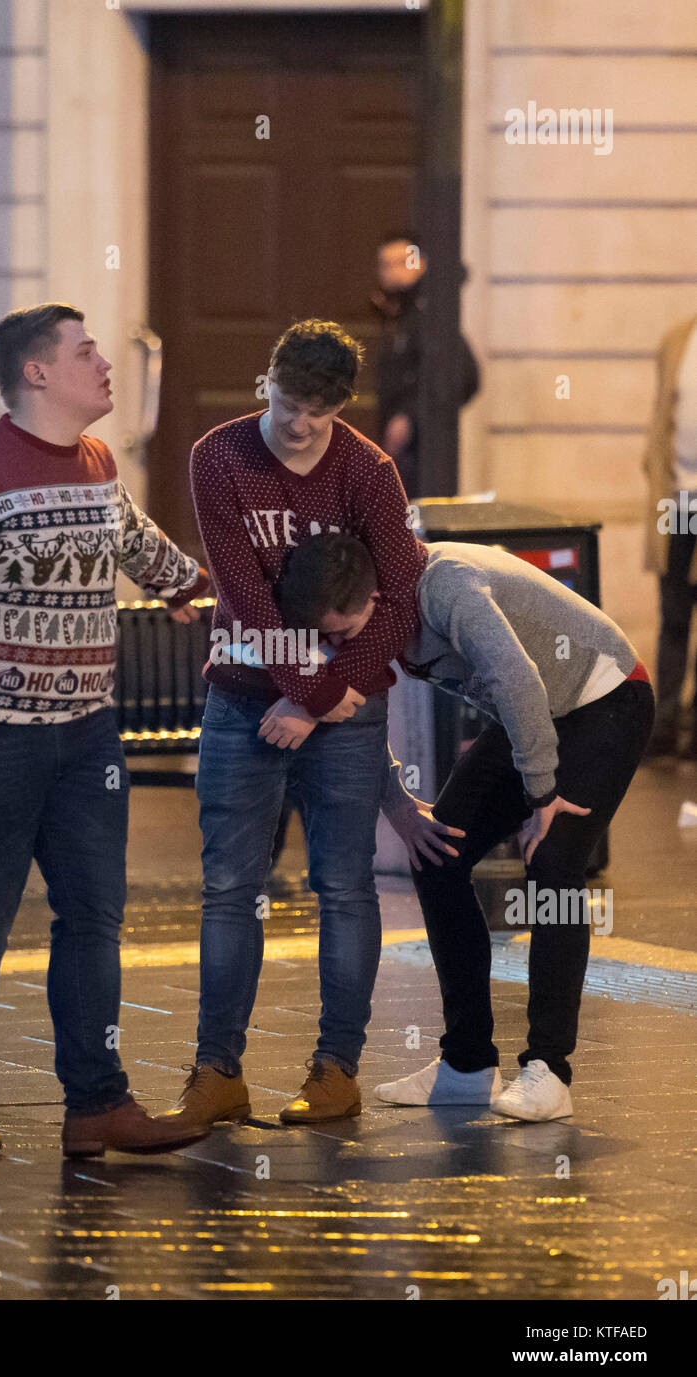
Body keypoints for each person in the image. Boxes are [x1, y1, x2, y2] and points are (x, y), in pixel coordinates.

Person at [0, 302, 210, 1158]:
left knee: (92, 918)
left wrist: (183, 586)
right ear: (36, 373)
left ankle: (97, 1104)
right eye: (85, 353)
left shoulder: (97, 460)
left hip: (83, 732)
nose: (105, 364)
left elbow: (126, 536)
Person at [276, 531, 654, 1122]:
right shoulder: (367, 617)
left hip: (605, 697)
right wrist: (400, 805)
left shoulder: (447, 586)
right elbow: (362, 715)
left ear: (378, 599)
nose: (338, 646)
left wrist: (542, 793)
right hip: (531, 712)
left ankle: (550, 1071)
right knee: (438, 853)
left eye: (343, 633)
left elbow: (517, 678)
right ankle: (467, 1066)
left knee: (553, 863)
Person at [163, 319, 428, 1128]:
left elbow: (401, 600)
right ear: (266, 381)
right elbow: (241, 595)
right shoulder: (220, 456)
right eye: (287, 401)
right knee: (229, 889)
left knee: (344, 887)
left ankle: (337, 1071)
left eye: (319, 410)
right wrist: (310, 692)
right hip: (247, 698)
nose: (300, 423)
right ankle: (217, 1072)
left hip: (339, 710)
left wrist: (316, 699)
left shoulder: (369, 471)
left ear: (342, 406)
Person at [373, 232, 479, 498]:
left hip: (423, 450)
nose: (391, 272)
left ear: (420, 264)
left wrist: (410, 417)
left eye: (401, 262)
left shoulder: (427, 314)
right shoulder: (397, 313)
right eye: (385, 265)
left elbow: (464, 375)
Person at [642, 311, 697, 758]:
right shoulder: (679, 337)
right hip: (677, 500)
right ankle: (663, 727)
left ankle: (695, 730)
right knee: (673, 612)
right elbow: (662, 416)